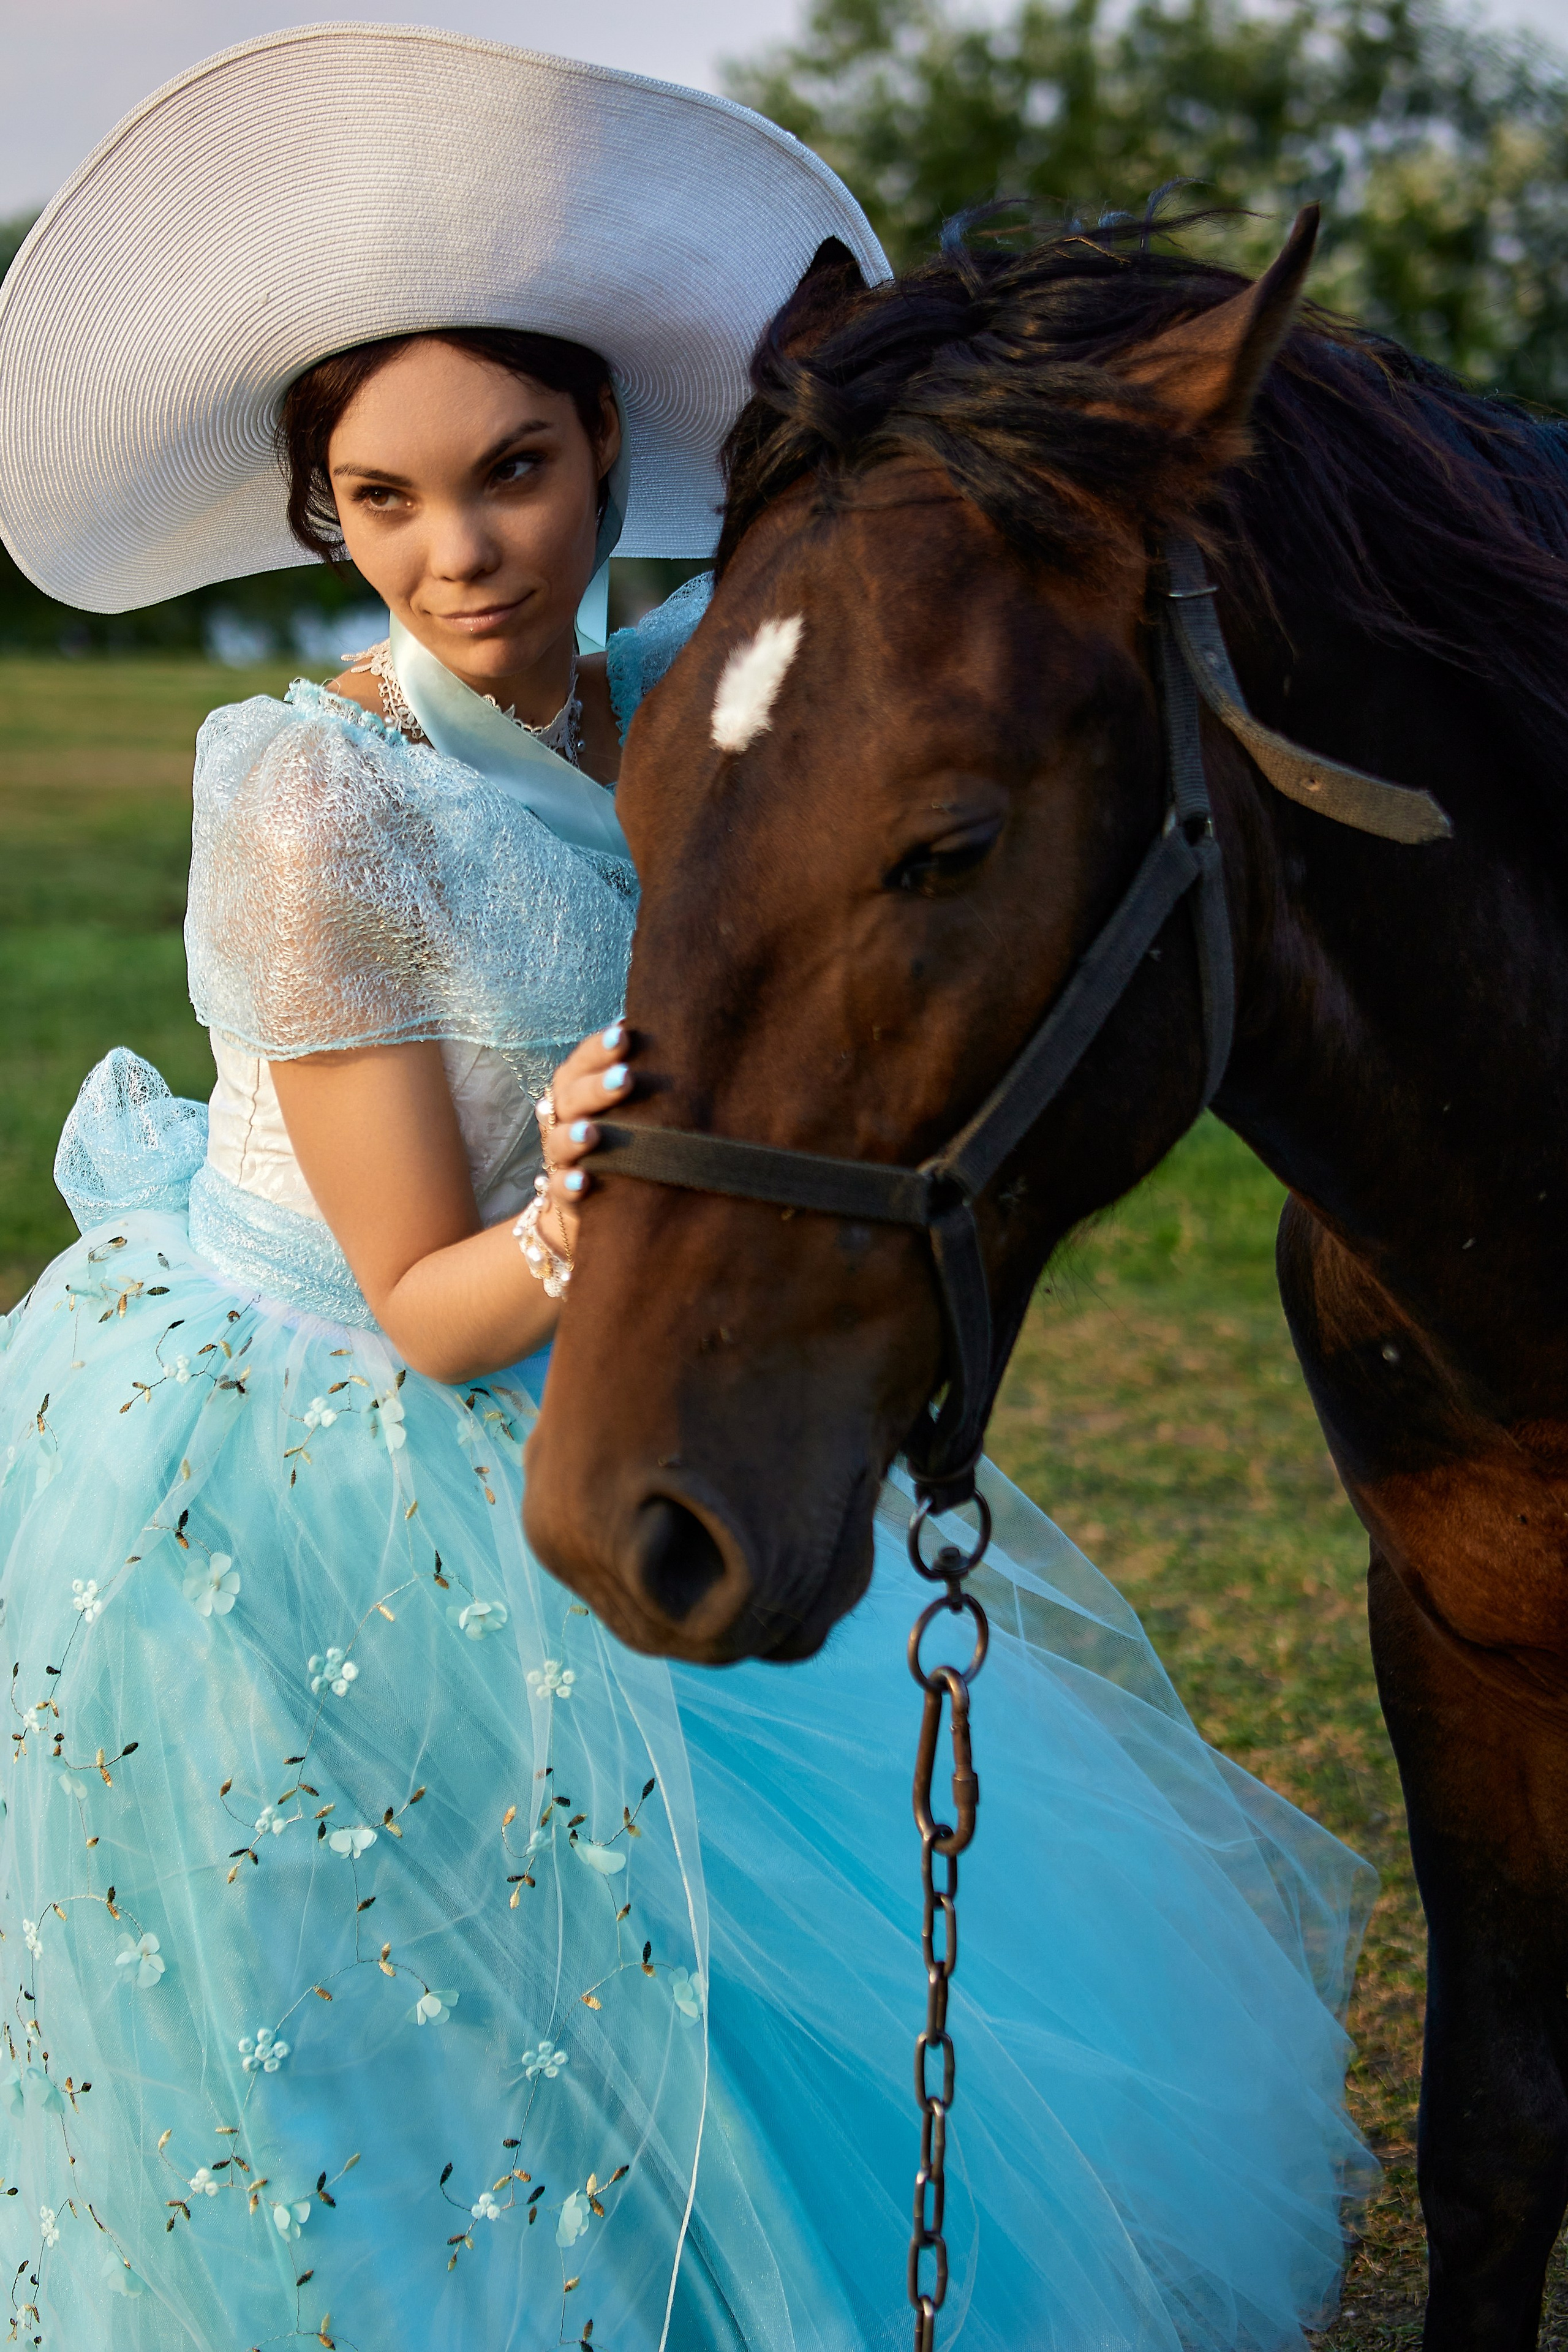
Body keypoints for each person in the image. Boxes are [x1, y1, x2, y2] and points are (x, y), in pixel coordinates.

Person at [0, 26, 1375, 2351]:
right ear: (324, 517)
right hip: (322, 1445)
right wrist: (577, 1204)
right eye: (384, 498)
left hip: (611, 1363)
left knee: (691, 2006)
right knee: (375, 2039)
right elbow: (420, 1302)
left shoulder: (681, 697)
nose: (461, 552)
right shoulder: (316, 812)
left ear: (607, 451)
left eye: (513, 473)